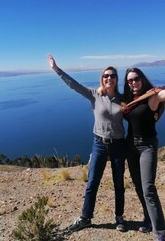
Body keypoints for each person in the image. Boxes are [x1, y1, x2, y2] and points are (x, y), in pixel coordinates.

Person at [47, 53, 127, 232]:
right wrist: (56, 69)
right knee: (92, 183)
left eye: (112, 76)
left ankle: (119, 217)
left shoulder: (123, 99)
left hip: (118, 145)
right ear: (102, 79)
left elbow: (141, 103)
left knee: (119, 184)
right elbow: (73, 85)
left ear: (116, 79)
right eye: (106, 76)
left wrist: (158, 98)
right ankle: (86, 217)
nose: (109, 78)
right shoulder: (94, 95)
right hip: (99, 144)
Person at [122, 49, 165, 241]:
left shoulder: (152, 97)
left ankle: (161, 233)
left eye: (136, 79)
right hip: (130, 146)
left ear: (141, 79)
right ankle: (148, 219)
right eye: (130, 80)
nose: (133, 82)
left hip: (147, 146)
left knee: (148, 188)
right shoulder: (128, 100)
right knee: (138, 186)